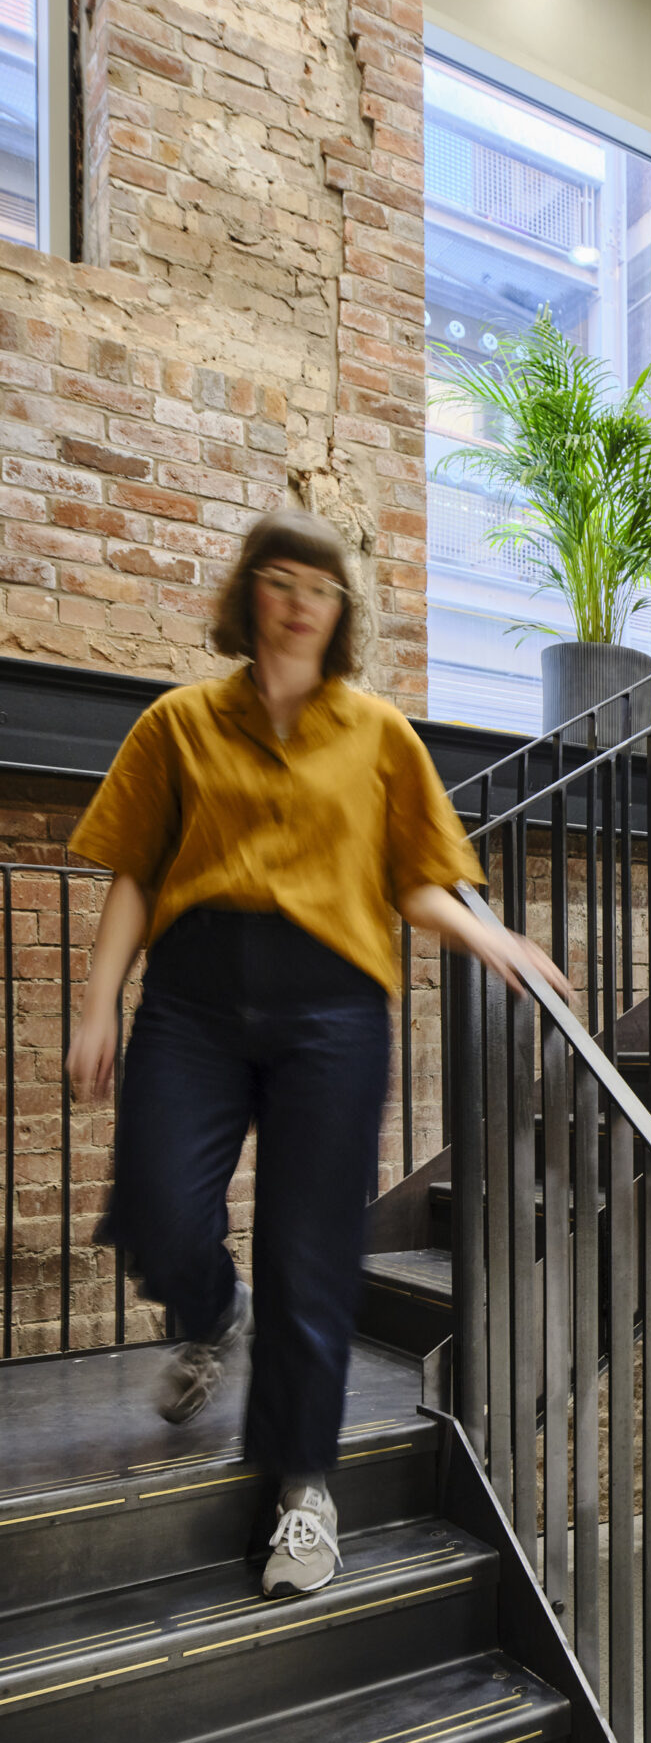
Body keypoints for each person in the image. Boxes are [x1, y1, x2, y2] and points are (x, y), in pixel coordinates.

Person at [65, 507, 567, 1599]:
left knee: (311, 1256)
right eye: (279, 579)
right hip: (194, 996)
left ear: (340, 613)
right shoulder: (179, 725)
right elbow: (136, 872)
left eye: (319, 586)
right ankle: (208, 1312)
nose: (297, 600)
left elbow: (416, 877)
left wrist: (491, 935)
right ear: (250, 593)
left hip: (332, 1010)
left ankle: (302, 1492)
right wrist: (99, 1001)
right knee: (156, 1200)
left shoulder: (380, 733)